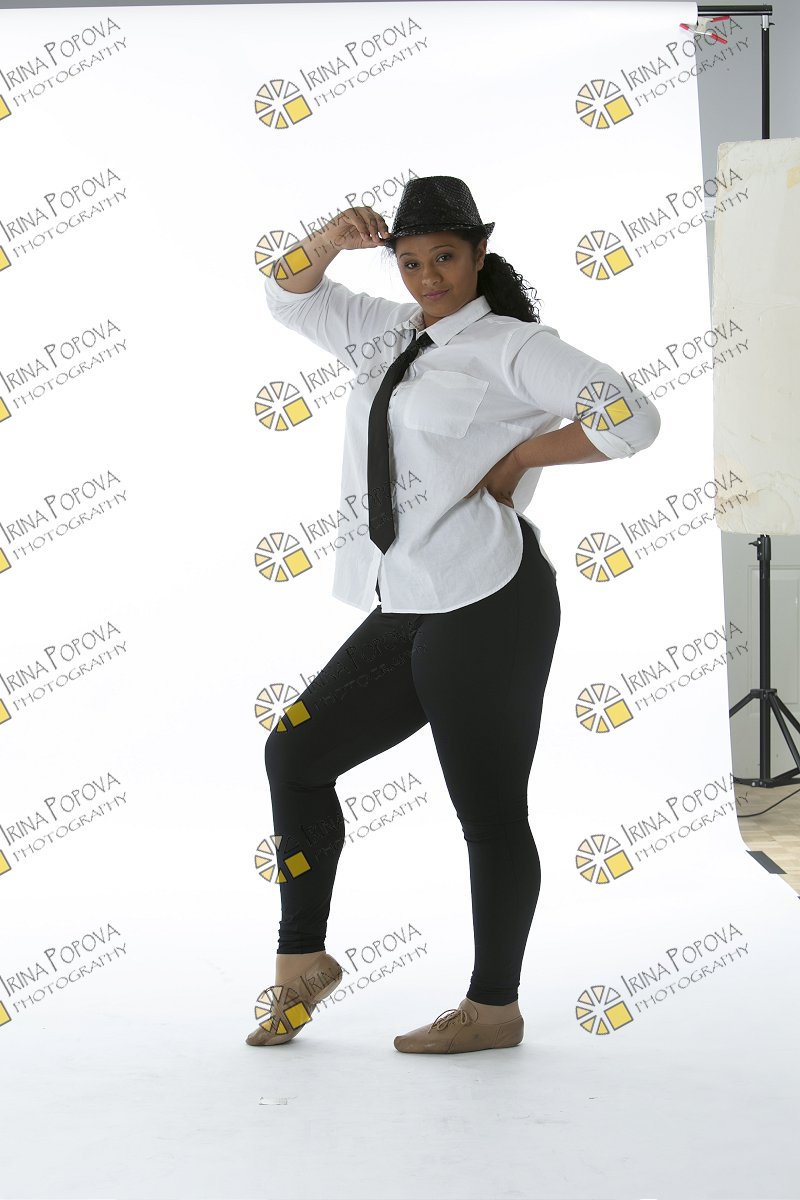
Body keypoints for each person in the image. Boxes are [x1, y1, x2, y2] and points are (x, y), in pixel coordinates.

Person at [247, 176, 660, 1054]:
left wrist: (520, 458)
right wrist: (328, 240)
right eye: (410, 261)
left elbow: (632, 417)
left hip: (489, 598)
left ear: (478, 255)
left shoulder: (513, 346)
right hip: (409, 596)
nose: (428, 276)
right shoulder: (386, 332)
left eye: (444, 257)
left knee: (487, 809)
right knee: (295, 753)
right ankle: (302, 962)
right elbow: (287, 295)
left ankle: (494, 1007)